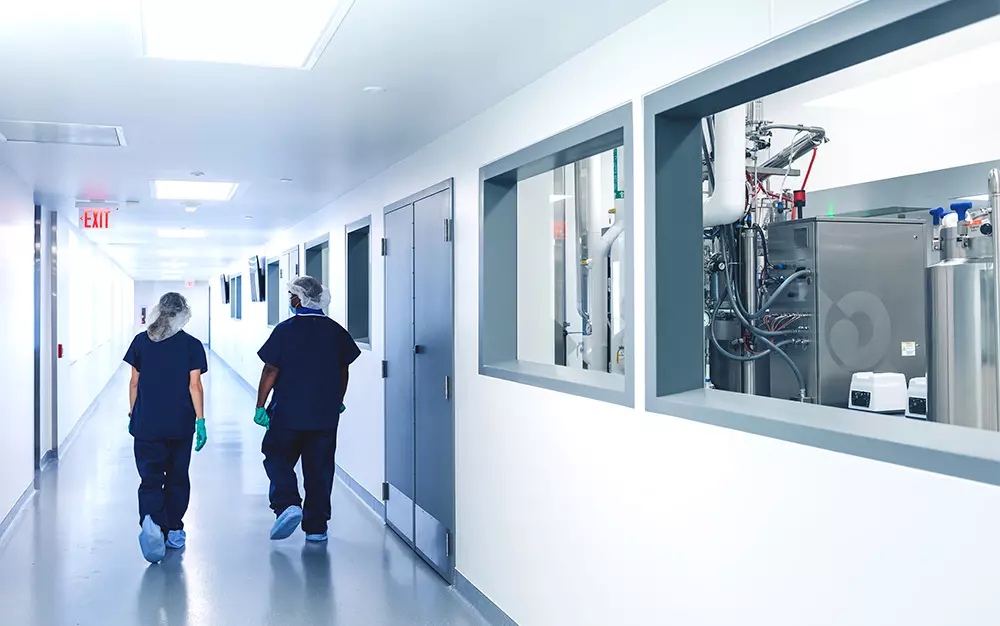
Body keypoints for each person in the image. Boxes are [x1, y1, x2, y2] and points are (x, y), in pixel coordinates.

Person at [254, 275, 360, 542]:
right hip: (324, 414)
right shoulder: (336, 332)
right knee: (320, 468)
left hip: (287, 412)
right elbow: (343, 370)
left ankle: (288, 504)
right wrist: (338, 399)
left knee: (276, 456)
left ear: (298, 298)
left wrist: (260, 405)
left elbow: (270, 369)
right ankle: (316, 527)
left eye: (291, 294)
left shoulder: (285, 330)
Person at [124, 292, 208, 564]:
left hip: (146, 423)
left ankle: (151, 521)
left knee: (150, 478)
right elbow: (194, 385)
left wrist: (132, 412)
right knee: (177, 476)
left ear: (160, 311)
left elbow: (134, 383)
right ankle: (173, 530)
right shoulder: (191, 345)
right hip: (180, 425)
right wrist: (200, 420)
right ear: (183, 314)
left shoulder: (141, 342)